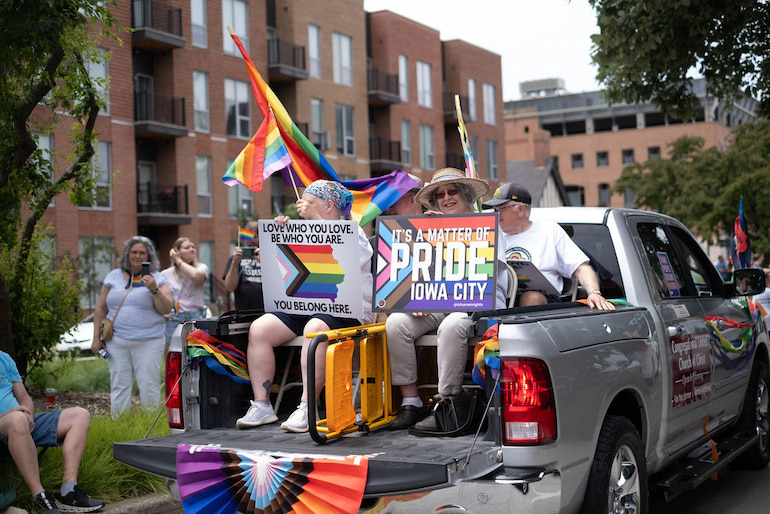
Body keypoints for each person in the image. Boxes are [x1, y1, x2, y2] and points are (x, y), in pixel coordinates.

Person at [236, 180, 373, 433]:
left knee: (314, 328)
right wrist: (276, 241)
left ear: (329, 205)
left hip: (345, 309)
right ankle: (262, 404)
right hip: (304, 304)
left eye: (308, 201)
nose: (299, 206)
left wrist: (314, 222)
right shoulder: (300, 228)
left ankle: (307, 407)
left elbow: (342, 257)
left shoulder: (354, 232)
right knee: (259, 329)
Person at [385, 167, 508, 431]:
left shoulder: (488, 224)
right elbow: (416, 275)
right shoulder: (428, 228)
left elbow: (481, 271)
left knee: (451, 325)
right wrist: (416, 299)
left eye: (452, 191)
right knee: (396, 322)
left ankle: (447, 402)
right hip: (439, 300)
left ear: (466, 195)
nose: (446, 198)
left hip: (478, 304)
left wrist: (450, 231)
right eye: (440, 194)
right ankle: (411, 402)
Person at [0, 350, 105, 513]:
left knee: (79, 415)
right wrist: (10, 416)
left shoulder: (4, 358)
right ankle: (40, 496)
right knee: (17, 420)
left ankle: (69, 491)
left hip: (21, 423)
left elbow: (24, 396)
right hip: (7, 423)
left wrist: (28, 413)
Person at [484, 182, 616, 311]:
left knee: (531, 297)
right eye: (494, 209)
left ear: (520, 209)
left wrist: (594, 293)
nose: (496, 213)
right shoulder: (489, 234)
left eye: (501, 209)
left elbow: (581, 268)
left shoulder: (548, 230)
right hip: (500, 297)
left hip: (543, 302)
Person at [91, 236, 173, 418]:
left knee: (149, 384)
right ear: (127, 254)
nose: (137, 256)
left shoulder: (157, 278)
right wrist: (96, 338)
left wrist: (154, 289)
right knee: (119, 384)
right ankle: (119, 423)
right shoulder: (113, 276)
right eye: (134, 252)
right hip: (117, 341)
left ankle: (150, 426)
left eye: (142, 252)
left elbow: (166, 308)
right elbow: (100, 308)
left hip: (149, 341)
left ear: (148, 256)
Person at [162, 237, 209, 348]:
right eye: (187, 247)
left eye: (193, 247)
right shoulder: (165, 274)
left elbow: (196, 277)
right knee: (172, 353)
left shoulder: (201, 268)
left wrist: (178, 260)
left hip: (196, 316)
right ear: (176, 251)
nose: (192, 249)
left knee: (197, 352)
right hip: (174, 317)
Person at [223, 221, 264, 312]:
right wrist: (235, 262)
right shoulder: (235, 258)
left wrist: (266, 261)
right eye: (247, 237)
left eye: (254, 237)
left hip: (267, 312)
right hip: (243, 311)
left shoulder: (270, 256)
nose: (250, 241)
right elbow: (230, 287)